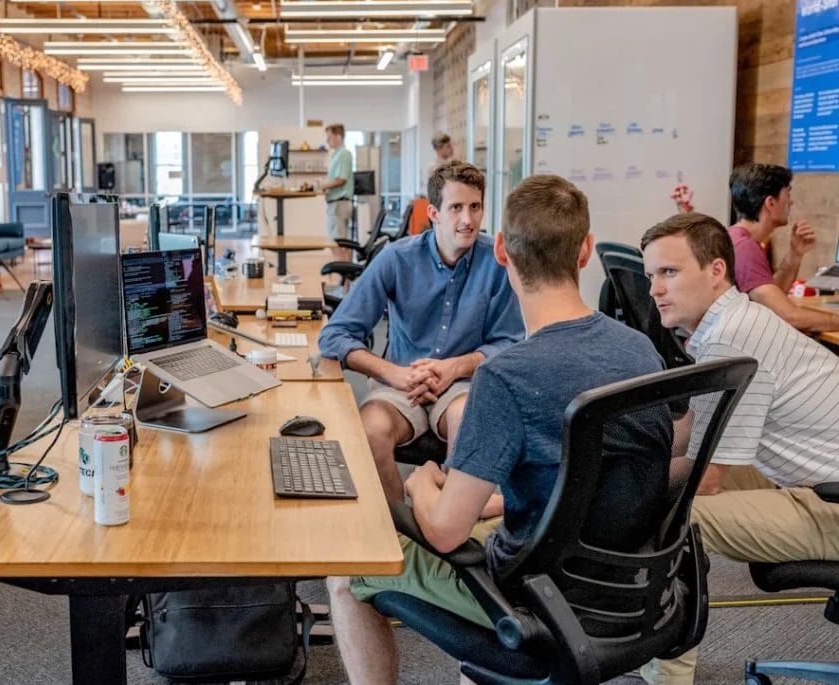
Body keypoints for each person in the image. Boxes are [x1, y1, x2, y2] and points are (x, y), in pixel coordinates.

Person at [326, 175, 673, 685]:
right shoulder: (640, 349)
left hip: (535, 598)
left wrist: (422, 482)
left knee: (343, 572)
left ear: (504, 252)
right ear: (586, 251)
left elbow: (446, 533)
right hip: (631, 587)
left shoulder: (505, 378)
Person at [639, 212, 839, 685]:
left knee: (676, 514)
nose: (654, 290)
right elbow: (696, 429)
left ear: (715, 271)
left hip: (829, 502)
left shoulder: (732, 335)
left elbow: (706, 478)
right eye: (651, 276)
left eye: (669, 272)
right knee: (665, 488)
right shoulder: (731, 320)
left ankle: (668, 676)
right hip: (813, 479)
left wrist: (625, 487)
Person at [318, 160, 524, 502]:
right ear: (434, 213)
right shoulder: (396, 259)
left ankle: (447, 525)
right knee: (370, 431)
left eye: (475, 207)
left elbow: (511, 342)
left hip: (462, 385)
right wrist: (393, 374)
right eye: (456, 208)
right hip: (400, 383)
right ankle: (402, 528)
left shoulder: (497, 262)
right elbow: (335, 335)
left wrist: (453, 368)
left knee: (468, 423)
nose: (467, 220)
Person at [727, 163, 839, 332]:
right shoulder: (744, 248)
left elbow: (772, 298)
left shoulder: (738, 238)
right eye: (788, 194)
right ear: (771, 203)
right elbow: (789, 316)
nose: (791, 202)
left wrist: (795, 254)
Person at [322, 123, 354, 260]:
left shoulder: (344, 154)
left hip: (339, 204)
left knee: (337, 243)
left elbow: (341, 179)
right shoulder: (336, 155)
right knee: (338, 243)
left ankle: (346, 277)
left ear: (339, 137)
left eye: (329, 138)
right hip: (335, 203)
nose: (327, 141)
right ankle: (346, 278)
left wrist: (324, 185)